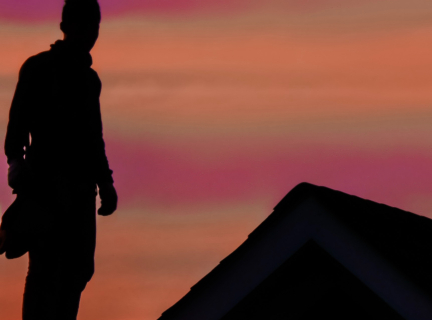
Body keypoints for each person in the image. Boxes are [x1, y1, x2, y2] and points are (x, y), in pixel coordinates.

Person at [3, 0, 117, 319]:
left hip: (81, 191)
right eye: (84, 25)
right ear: (66, 26)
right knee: (45, 268)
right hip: (46, 187)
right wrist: (15, 162)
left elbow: (94, 137)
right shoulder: (39, 68)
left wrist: (105, 182)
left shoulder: (89, 80)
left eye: (94, 26)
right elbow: (18, 124)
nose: (90, 32)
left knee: (78, 269)